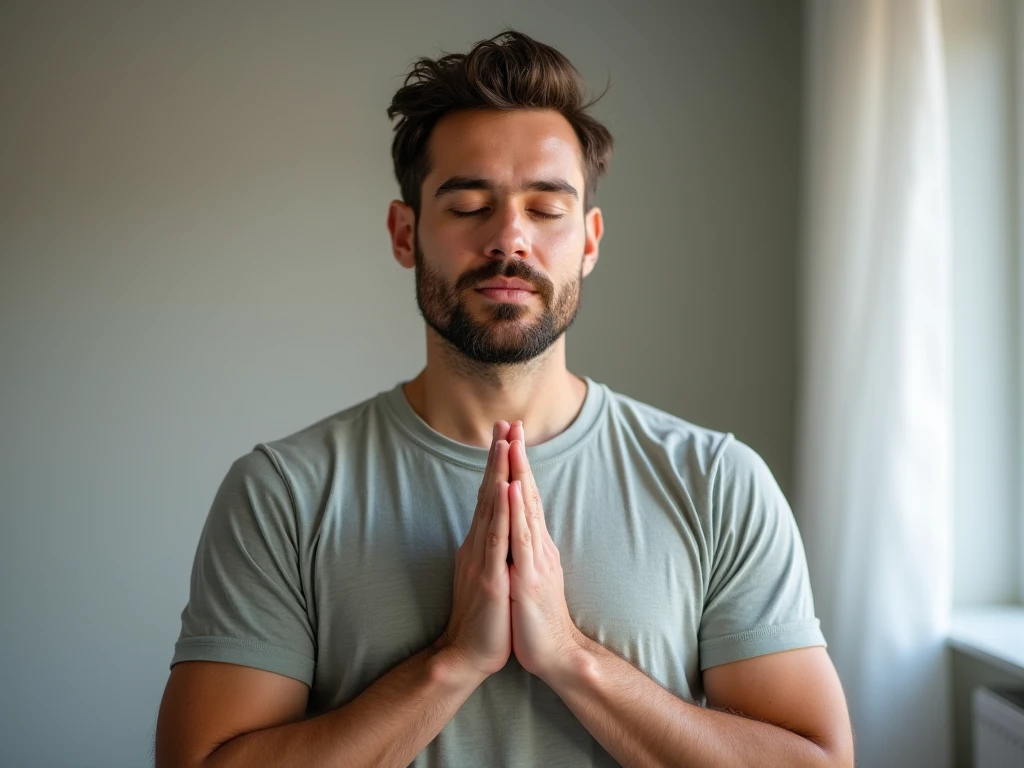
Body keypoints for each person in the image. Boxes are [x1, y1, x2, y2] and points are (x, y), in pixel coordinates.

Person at [155, 29, 854, 768]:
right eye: (468, 206)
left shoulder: (716, 482)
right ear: (405, 234)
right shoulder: (283, 493)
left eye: (545, 208)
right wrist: (452, 662)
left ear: (589, 240)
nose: (509, 238)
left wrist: (571, 659)